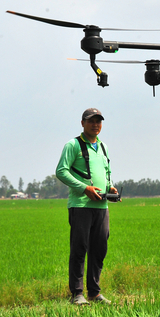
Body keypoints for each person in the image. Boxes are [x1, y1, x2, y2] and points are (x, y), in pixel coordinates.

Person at [56, 108, 119, 305]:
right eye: (91, 121)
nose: (95, 124)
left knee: (99, 248)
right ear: (82, 123)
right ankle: (77, 293)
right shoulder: (73, 145)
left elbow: (107, 173)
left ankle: (94, 292)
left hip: (101, 207)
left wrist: (111, 188)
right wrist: (84, 188)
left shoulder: (103, 147)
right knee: (79, 248)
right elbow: (61, 171)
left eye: (98, 121)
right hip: (81, 205)